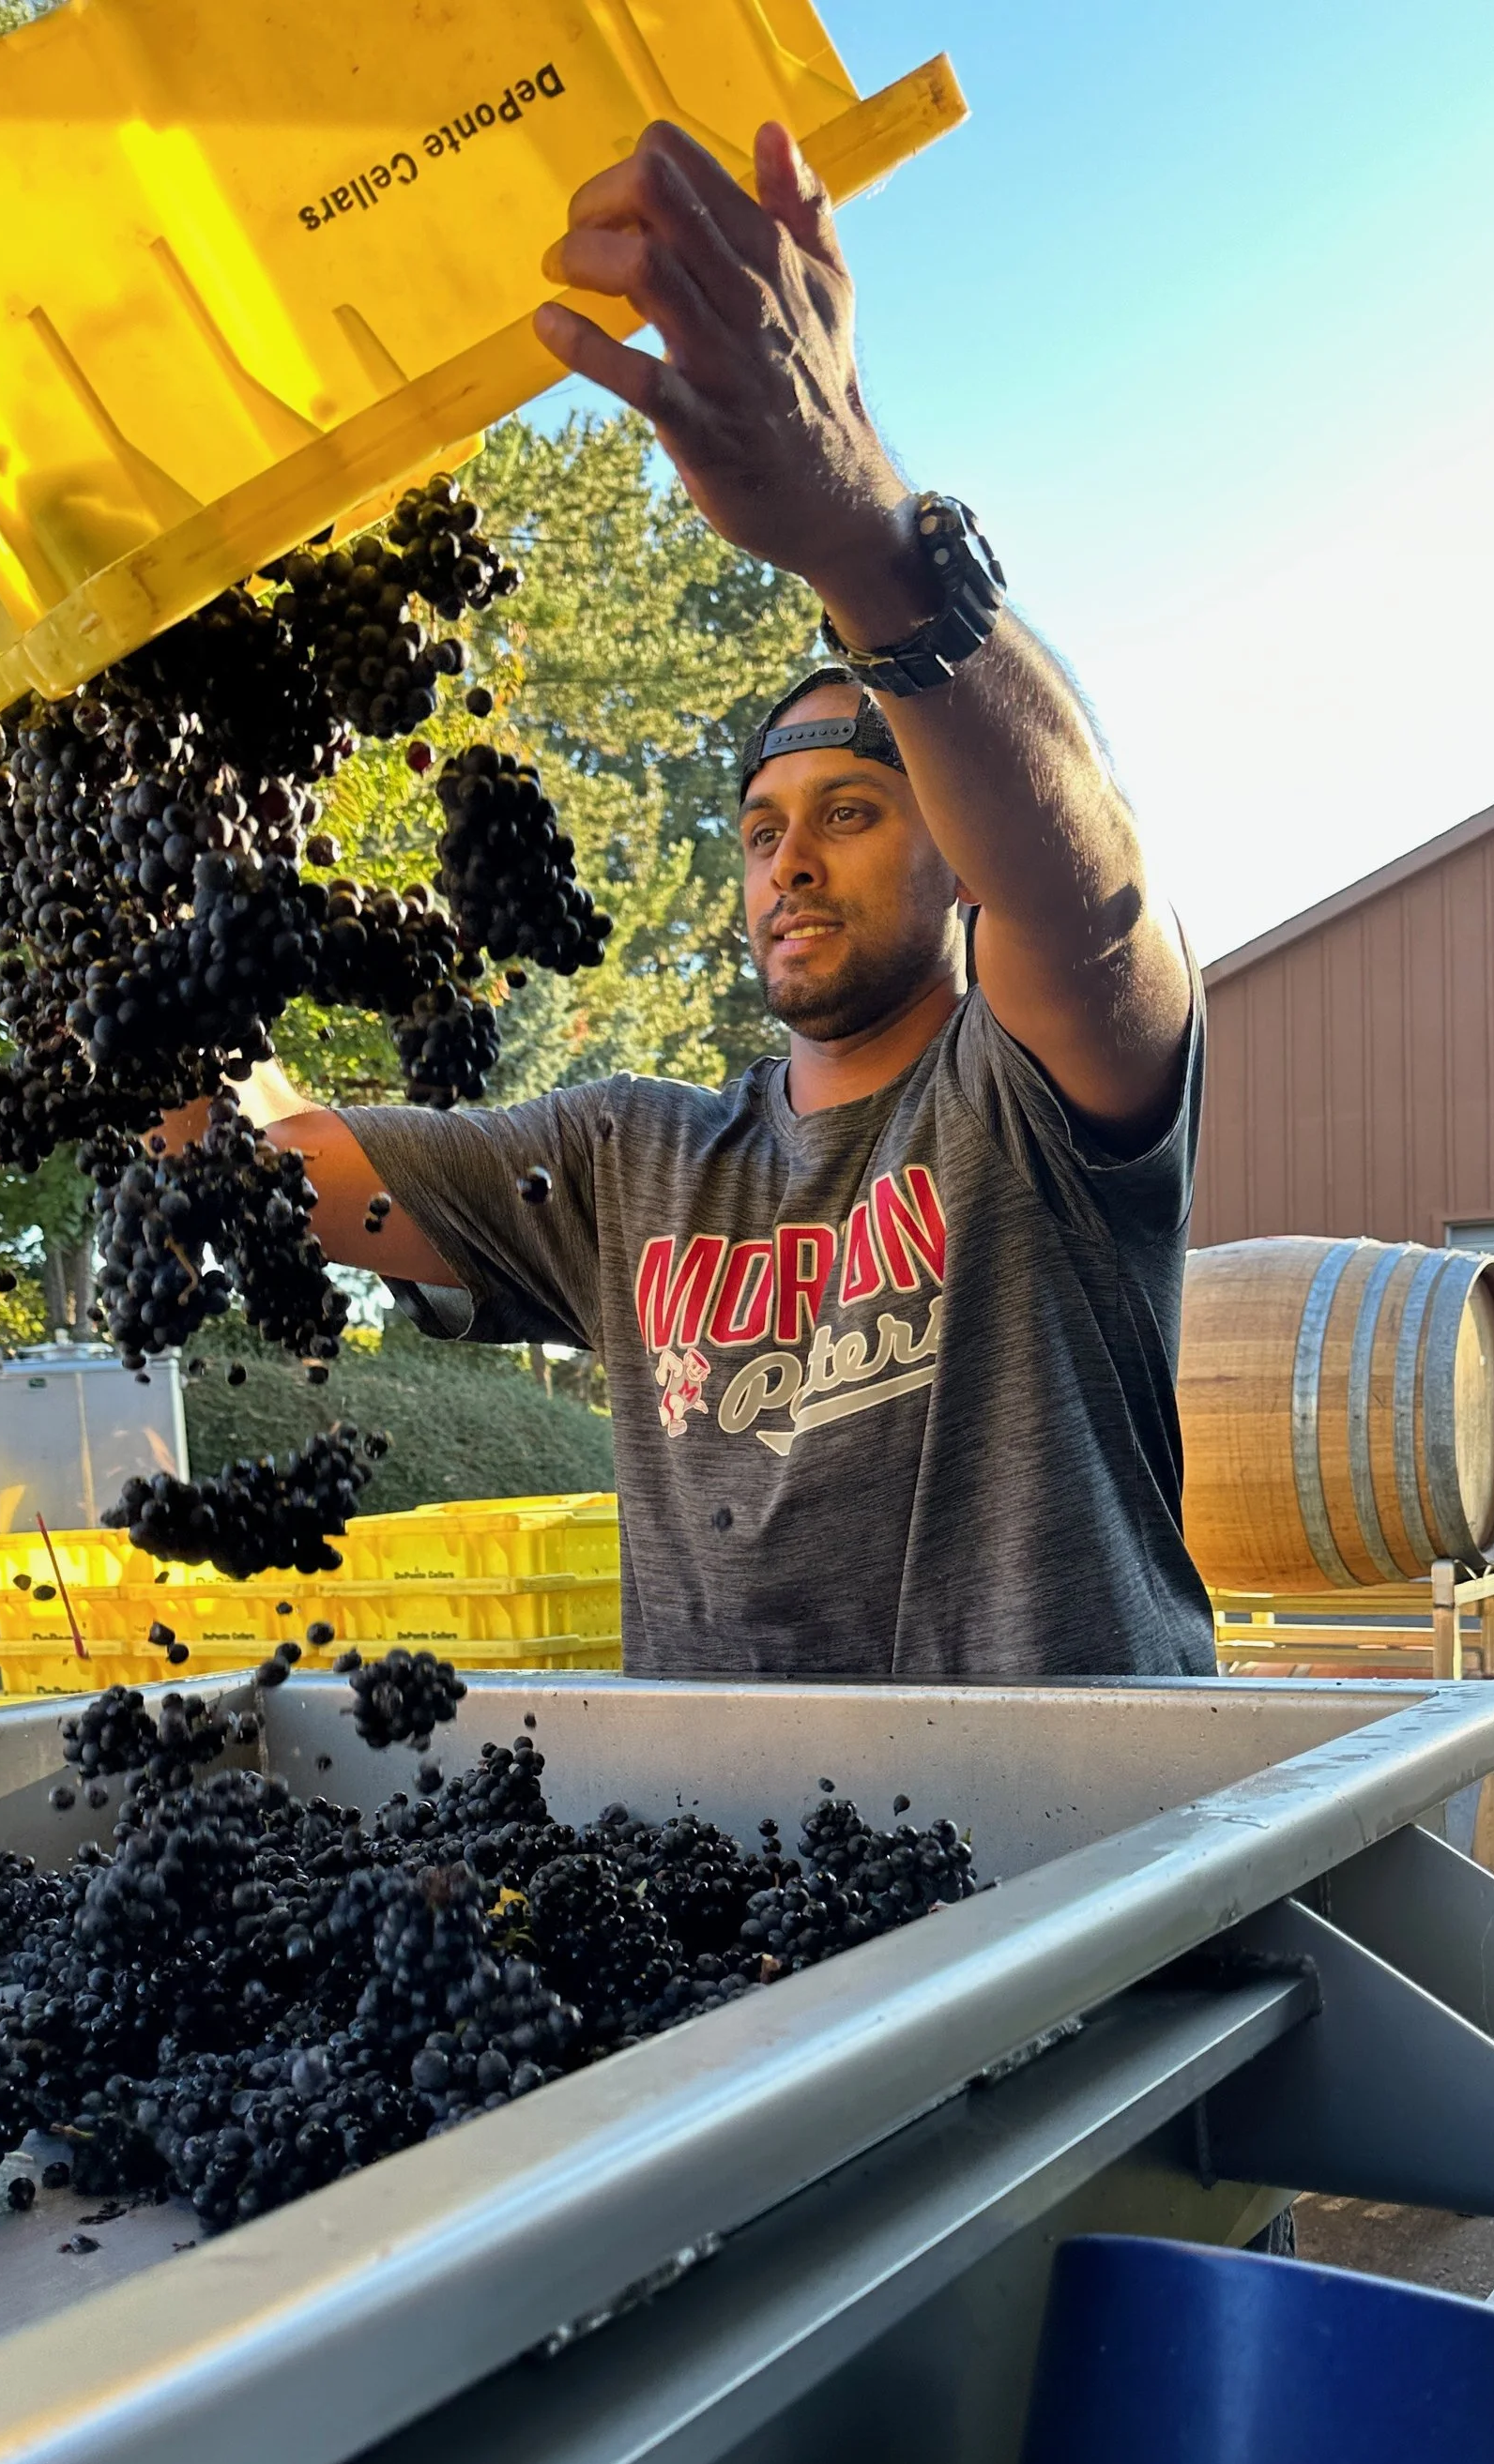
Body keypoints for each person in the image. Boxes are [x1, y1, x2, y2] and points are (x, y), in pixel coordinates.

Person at [228, 119, 1214, 1682]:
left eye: (851, 812)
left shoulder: (1031, 1104)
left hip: (1081, 1878)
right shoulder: (631, 1167)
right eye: (760, 832)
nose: (790, 863)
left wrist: (858, 532)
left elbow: (1089, 893)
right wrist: (144, 926)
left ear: (953, 850)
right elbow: (271, 1176)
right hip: (758, 1901)